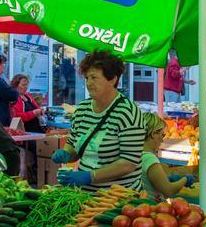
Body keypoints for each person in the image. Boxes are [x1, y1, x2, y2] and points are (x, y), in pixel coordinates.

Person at [50, 51, 145, 190]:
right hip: (84, 196)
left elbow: (129, 162)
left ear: (112, 79)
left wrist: (91, 176)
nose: (88, 83)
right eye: (87, 78)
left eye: (94, 77)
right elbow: (73, 144)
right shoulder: (82, 109)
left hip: (118, 198)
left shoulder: (128, 112)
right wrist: (66, 154)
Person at [141, 114, 192, 199]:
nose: (162, 140)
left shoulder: (135, 153)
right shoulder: (149, 159)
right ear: (154, 134)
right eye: (162, 135)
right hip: (151, 207)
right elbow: (168, 191)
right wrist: (185, 179)